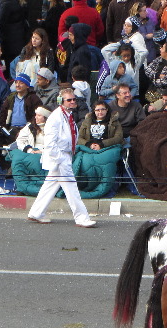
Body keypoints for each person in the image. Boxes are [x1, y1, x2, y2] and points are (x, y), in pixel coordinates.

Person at [27, 88, 96, 227]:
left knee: (50, 185)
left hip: (64, 155)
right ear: (61, 101)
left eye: (73, 99)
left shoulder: (67, 115)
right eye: (69, 100)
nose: (72, 102)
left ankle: (36, 212)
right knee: (71, 188)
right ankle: (82, 217)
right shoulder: (55, 117)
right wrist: (60, 159)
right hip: (59, 157)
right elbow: (50, 143)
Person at [0, 73, 43, 145]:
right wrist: (3, 128)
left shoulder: (33, 98)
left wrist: (27, 128)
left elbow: (36, 116)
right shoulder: (10, 98)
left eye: (21, 83)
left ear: (27, 85)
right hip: (11, 128)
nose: (17, 85)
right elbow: (3, 114)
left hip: (27, 129)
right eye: (16, 82)